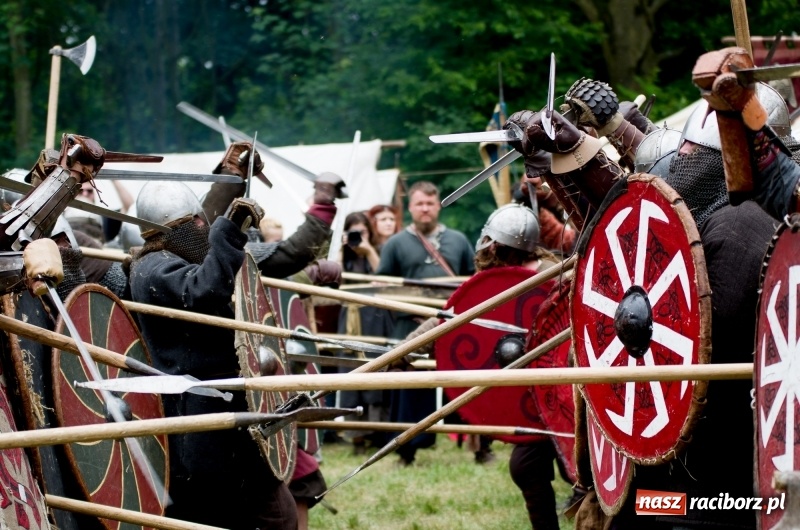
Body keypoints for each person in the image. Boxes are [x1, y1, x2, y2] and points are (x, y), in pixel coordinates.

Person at [503, 81, 782, 528]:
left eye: (695, 152)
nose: (684, 158)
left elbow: (702, 333)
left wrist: (577, 153)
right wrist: (567, 161)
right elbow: (627, 234)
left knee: (673, 512)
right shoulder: (728, 213)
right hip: (678, 438)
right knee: (647, 509)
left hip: (714, 449)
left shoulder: (740, 226)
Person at [129, 178, 298, 529]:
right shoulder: (152, 268)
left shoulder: (169, 262)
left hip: (230, 413)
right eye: (196, 221)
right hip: (200, 424)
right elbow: (203, 290)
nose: (202, 227)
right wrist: (228, 230)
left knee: (275, 513)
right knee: (215, 516)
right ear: (177, 228)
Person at [377, 180, 475, 466]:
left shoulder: (458, 240)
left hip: (451, 325)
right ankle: (406, 450)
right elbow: (382, 286)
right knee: (408, 386)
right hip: (410, 326)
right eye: (419, 203)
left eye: (430, 204)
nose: (425, 209)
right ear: (410, 207)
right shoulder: (395, 243)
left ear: (438, 206)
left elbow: (473, 282)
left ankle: (480, 444)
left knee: (468, 381)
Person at [337, 211, 394, 454]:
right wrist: (341, 250)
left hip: (376, 318)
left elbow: (384, 279)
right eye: (353, 233)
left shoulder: (380, 251)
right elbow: (335, 283)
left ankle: (378, 433)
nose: (358, 237)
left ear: (370, 233)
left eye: (362, 232)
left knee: (377, 370)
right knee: (351, 373)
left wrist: (369, 250)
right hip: (351, 319)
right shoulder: (343, 257)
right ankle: (357, 437)